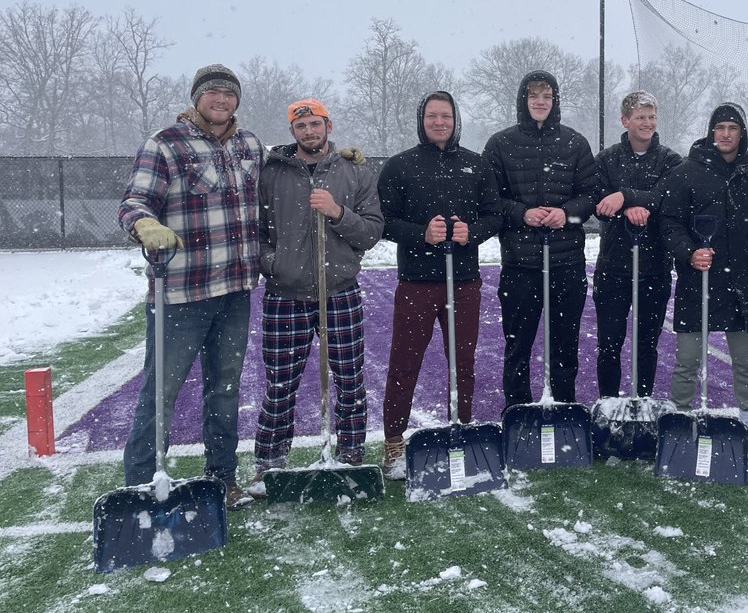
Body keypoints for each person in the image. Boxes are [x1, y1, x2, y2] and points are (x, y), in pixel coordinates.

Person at [117, 63, 265, 509]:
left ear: (237, 100)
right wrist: (143, 223)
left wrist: (336, 157)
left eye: (229, 94)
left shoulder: (250, 145)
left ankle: (222, 478)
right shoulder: (166, 144)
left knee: (225, 388)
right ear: (197, 98)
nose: (221, 101)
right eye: (212, 94)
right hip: (181, 295)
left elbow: (291, 169)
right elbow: (134, 200)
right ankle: (141, 485)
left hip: (235, 291)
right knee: (161, 391)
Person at [248, 98, 382, 493]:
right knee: (280, 383)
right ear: (292, 131)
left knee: (349, 378)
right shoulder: (271, 173)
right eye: (301, 125)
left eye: (315, 124)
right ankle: (269, 461)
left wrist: (338, 212)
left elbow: (372, 231)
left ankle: (352, 452)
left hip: (338, 291)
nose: (309, 131)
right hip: (285, 294)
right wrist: (274, 263)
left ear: (329, 125)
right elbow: (252, 229)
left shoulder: (354, 172)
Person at [376, 91, 503, 478]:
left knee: (462, 363)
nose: (439, 122)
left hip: (463, 282)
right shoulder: (400, 167)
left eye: (445, 116)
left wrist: (473, 232)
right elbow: (384, 221)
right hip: (417, 281)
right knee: (404, 364)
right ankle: (394, 443)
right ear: (421, 120)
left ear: (455, 119)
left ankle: (461, 429)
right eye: (431, 116)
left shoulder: (476, 166)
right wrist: (421, 235)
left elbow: (495, 216)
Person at [660, 102, 748, 459]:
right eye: (719, 128)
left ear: (742, 133)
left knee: (745, 360)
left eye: (732, 128)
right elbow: (669, 222)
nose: (725, 134)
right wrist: (689, 252)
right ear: (711, 132)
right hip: (700, 279)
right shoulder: (686, 172)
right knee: (688, 358)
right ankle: (679, 421)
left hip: (745, 280)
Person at [483, 71, 600, 408]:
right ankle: (517, 408)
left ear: (555, 100)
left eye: (546, 96)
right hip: (521, 264)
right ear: (523, 100)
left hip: (566, 263)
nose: (540, 102)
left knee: (564, 343)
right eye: (534, 95)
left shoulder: (575, 143)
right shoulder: (500, 144)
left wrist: (567, 214)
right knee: (518, 344)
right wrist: (521, 213)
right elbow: (491, 201)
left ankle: (564, 407)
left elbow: (589, 196)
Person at [592, 90, 682, 399]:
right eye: (640, 117)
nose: (647, 123)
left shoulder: (670, 160)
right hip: (613, 268)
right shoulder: (606, 159)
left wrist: (625, 196)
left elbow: (665, 199)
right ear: (625, 120)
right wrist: (624, 207)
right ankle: (607, 406)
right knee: (609, 345)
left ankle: (642, 404)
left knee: (646, 345)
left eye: (651, 117)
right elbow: (598, 202)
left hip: (654, 268)